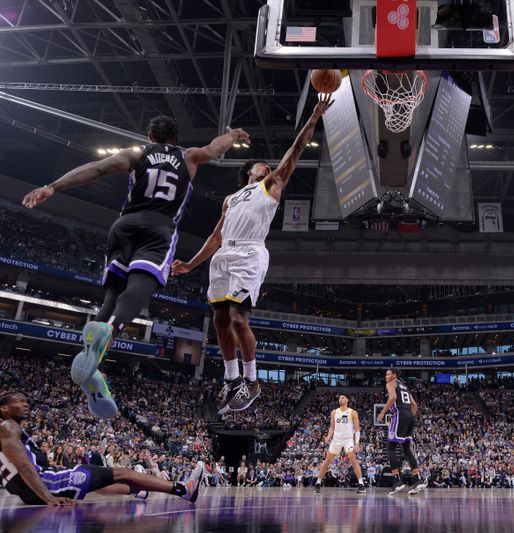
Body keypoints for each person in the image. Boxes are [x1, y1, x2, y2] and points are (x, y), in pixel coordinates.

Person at [21, 116, 250, 416]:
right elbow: (216, 148)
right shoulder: (188, 156)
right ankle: (110, 329)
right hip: (160, 227)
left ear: (150, 134)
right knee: (142, 285)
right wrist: (232, 134)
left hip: (124, 225)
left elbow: (96, 169)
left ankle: (93, 363)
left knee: (113, 294)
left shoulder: (137, 154)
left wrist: (53, 186)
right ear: (176, 137)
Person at [172, 94, 333, 414]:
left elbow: (295, 151)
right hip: (222, 258)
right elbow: (216, 236)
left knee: (236, 318)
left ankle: (252, 380)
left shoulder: (271, 186)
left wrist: (314, 117)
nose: (269, 166)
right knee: (219, 321)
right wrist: (191, 263)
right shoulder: (230, 199)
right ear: (249, 170)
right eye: (263, 164)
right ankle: (232, 380)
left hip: (249, 254)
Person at [0, 392, 203, 505]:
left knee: (98, 482)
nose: (26, 404)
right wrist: (47, 497)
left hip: (27, 491)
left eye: (27, 401)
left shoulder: (7, 429)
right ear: (3, 408)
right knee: (121, 472)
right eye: (19, 401)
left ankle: (138, 490)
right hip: (48, 483)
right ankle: (184, 490)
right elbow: (24, 465)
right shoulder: (8, 426)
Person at [376, 369, 426, 496]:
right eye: (386, 374)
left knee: (391, 448)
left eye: (388, 374)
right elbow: (414, 405)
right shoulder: (404, 386)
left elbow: (393, 397)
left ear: (394, 375)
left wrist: (382, 413)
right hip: (410, 416)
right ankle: (417, 480)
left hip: (400, 414)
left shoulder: (391, 383)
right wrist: (408, 418)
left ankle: (397, 481)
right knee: (406, 449)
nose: (386, 376)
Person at [313, 394, 366, 494]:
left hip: (348, 439)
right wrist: (329, 436)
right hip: (336, 439)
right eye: (339, 398)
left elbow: (357, 429)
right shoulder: (334, 412)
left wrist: (357, 443)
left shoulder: (352, 412)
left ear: (347, 400)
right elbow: (332, 427)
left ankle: (361, 484)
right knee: (327, 461)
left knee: (353, 460)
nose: (340, 399)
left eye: (342, 398)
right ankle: (318, 483)